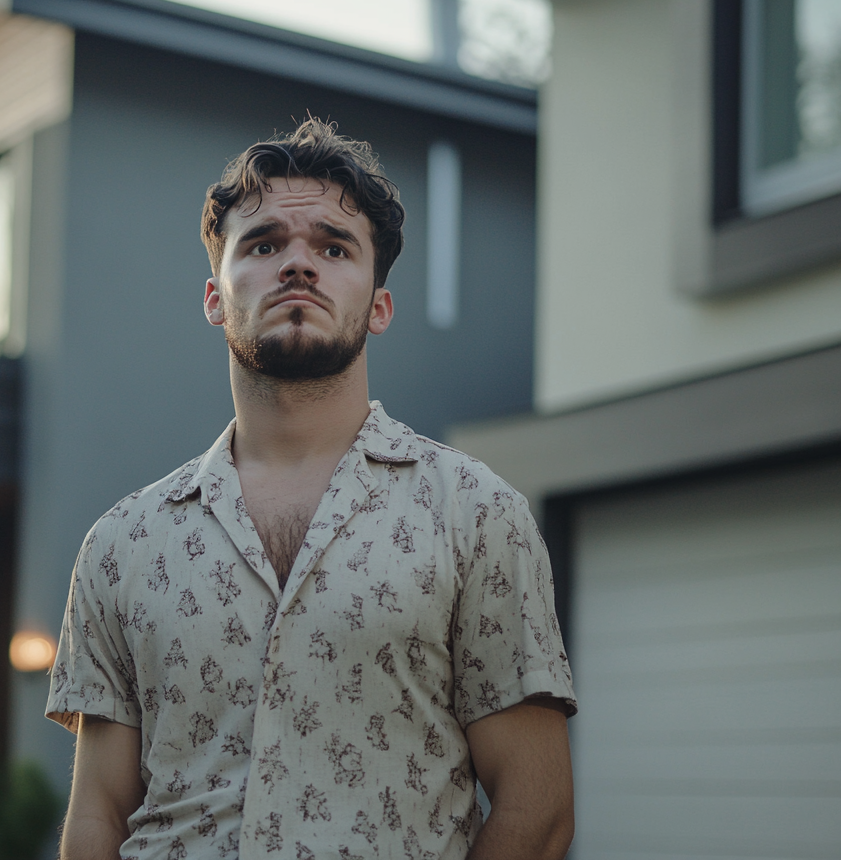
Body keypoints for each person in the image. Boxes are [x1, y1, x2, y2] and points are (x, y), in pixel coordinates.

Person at [46, 118, 576, 860]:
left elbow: (538, 807)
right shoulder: (121, 544)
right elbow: (98, 813)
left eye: (333, 247)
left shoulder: (478, 515)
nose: (298, 265)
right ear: (214, 297)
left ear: (379, 306)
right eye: (263, 245)